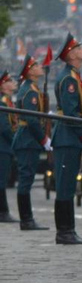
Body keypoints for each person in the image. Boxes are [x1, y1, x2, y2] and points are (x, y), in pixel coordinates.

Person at [49, 33, 82, 245]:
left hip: (70, 137)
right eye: (78, 47)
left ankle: (68, 230)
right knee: (65, 186)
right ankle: (65, 232)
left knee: (67, 185)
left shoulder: (73, 76)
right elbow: (70, 113)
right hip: (68, 137)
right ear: (71, 54)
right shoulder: (69, 78)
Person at [12, 55, 50, 231]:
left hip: (26, 138)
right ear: (29, 71)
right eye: (35, 65)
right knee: (26, 179)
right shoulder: (30, 91)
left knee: (26, 178)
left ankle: (26, 219)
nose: (39, 66)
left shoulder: (29, 88)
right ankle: (26, 220)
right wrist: (44, 138)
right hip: (28, 139)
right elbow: (32, 119)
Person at [0, 70, 19, 224]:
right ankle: (3, 212)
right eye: (9, 81)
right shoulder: (2, 103)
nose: (13, 83)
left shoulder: (7, 101)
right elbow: (5, 128)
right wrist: (16, 141)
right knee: (1, 180)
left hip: (5, 146)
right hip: (3, 147)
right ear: (3, 86)